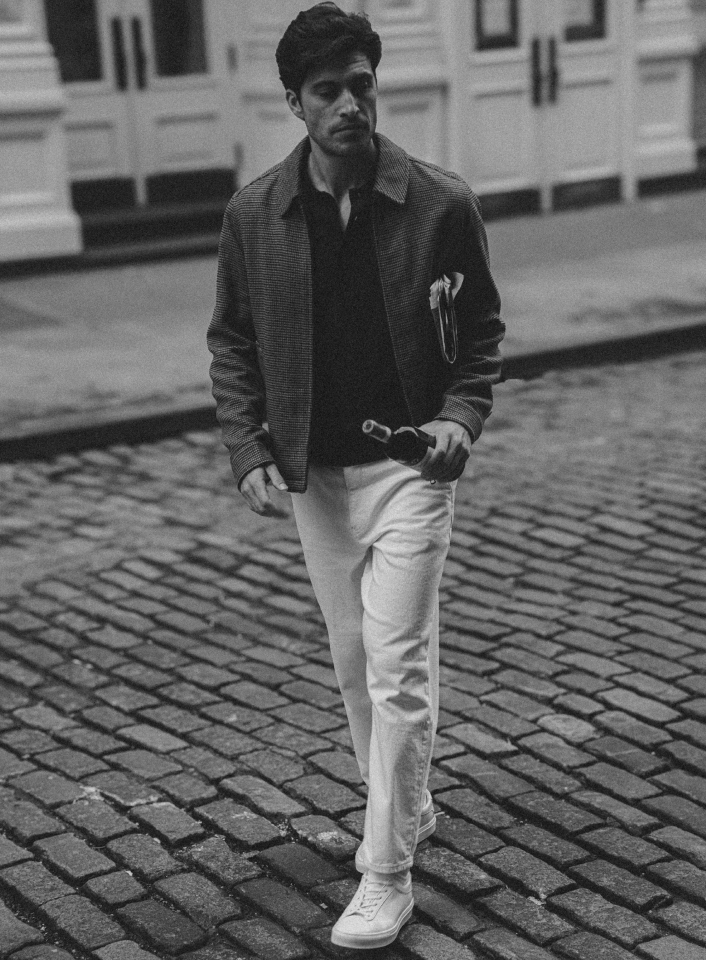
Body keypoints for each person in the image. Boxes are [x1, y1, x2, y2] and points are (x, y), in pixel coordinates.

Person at [207, 2, 504, 949]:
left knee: (398, 665)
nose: (349, 106)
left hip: (410, 468)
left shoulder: (440, 203)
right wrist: (249, 448)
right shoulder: (255, 214)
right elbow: (232, 341)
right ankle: (405, 804)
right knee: (352, 666)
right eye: (327, 91)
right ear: (295, 103)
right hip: (317, 474)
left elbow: (481, 339)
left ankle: (386, 874)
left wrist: (458, 419)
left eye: (361, 86)